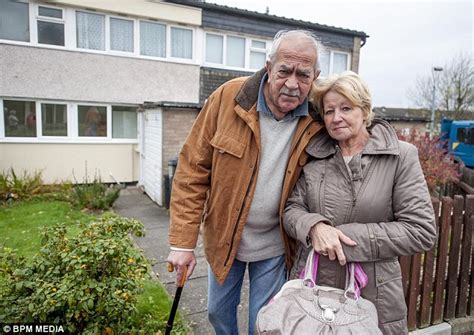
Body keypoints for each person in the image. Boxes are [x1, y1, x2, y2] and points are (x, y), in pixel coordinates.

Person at [167, 30, 324, 334]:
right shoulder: (229, 98)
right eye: (284, 71)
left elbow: (357, 118)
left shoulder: (317, 118)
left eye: (303, 75)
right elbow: (191, 171)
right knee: (217, 313)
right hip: (226, 237)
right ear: (269, 67)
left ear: (315, 76)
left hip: (276, 243)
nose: (292, 84)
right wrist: (182, 243)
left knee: (263, 323)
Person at [283, 71, 437, 334]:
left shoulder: (400, 156)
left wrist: (345, 237)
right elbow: (292, 209)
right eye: (329, 111)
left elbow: (421, 231)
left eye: (346, 108)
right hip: (315, 285)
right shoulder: (315, 156)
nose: (336, 117)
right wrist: (314, 227)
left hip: (374, 293)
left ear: (365, 111)